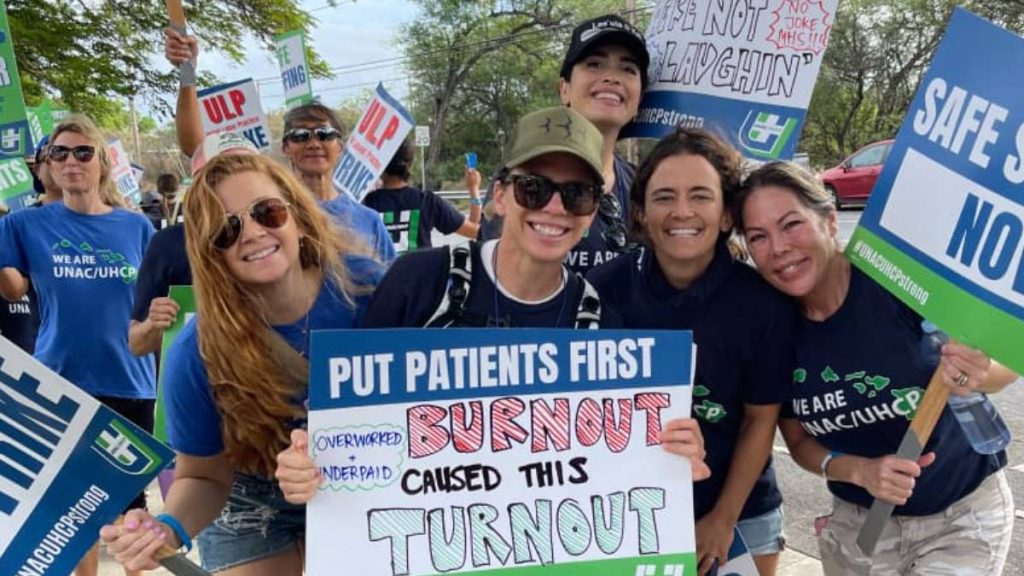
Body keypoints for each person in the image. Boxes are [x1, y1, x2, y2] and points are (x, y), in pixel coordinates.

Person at [274, 106, 710, 506]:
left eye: (577, 193)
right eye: (533, 188)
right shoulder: (421, 283)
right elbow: (347, 424)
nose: (554, 207)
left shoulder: (602, 326)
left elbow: (620, 465)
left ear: (592, 212)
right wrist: (307, 463)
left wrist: (669, 455)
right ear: (500, 196)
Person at [99, 153, 383, 575]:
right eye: (226, 229)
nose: (251, 233)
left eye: (268, 212)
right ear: (209, 252)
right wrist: (165, 530)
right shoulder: (196, 351)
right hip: (249, 488)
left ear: (298, 216)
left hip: (366, 480)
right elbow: (202, 476)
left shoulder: (369, 289)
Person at [733, 161, 1017, 575]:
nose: (778, 248)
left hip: (960, 516)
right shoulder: (770, 326)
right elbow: (798, 442)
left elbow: (1008, 358)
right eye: (758, 236)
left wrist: (978, 372)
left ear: (830, 220)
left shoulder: (896, 279)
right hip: (860, 529)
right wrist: (859, 471)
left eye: (791, 224)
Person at [587, 128, 794, 576]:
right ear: (640, 213)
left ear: (726, 214)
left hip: (741, 514)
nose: (682, 211)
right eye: (664, 197)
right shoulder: (603, 290)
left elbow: (761, 419)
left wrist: (723, 519)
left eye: (701, 196)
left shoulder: (764, 304)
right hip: (632, 511)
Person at [0, 115, 156, 576]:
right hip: (59, 382)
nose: (71, 161)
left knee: (131, 510)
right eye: (59, 153)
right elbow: (12, 290)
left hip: (130, 380)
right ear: (47, 164)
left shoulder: (137, 227)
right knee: (73, 512)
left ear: (102, 162)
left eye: (83, 152)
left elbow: (157, 302)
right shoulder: (24, 225)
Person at [163, 29, 395, 263]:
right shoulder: (268, 212)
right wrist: (187, 73)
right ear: (285, 147)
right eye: (300, 135)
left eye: (324, 134)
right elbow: (197, 148)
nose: (314, 143)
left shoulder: (370, 221)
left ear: (340, 146)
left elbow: (391, 283)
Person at [479, 14, 648, 274]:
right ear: (564, 89)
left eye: (628, 69)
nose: (612, 78)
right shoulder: (522, 182)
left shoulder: (643, 187)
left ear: (639, 98)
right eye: (594, 64)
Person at [362, 137, 480, 252]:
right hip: (421, 266)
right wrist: (473, 189)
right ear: (409, 163)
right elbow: (475, 231)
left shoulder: (365, 204)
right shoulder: (427, 201)